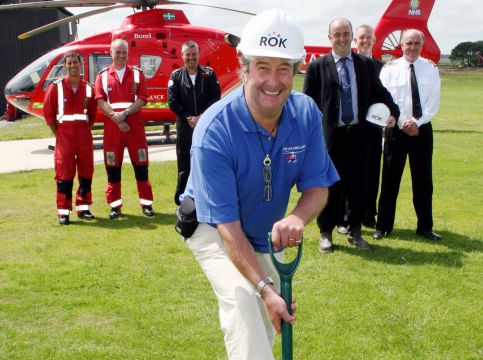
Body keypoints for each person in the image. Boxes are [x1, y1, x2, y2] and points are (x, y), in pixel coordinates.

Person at [181, 9, 339, 359]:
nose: (274, 80)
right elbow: (227, 226)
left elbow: (317, 187)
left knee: (270, 317)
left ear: (296, 70)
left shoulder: (307, 113)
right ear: (244, 68)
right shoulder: (213, 131)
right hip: (214, 228)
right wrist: (265, 288)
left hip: (265, 230)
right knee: (244, 305)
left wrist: (297, 217)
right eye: (263, 67)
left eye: (284, 68)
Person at [303, 18, 400, 253]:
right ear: (329, 38)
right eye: (337, 34)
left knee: (358, 186)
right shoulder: (317, 67)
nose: (342, 39)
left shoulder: (365, 65)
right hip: (330, 137)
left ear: (351, 36)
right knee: (329, 186)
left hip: (360, 136)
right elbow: (308, 103)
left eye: (346, 33)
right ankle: (325, 233)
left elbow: (381, 93)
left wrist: (393, 112)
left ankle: (355, 232)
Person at [373, 29, 442, 241]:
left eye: (416, 43)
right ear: (401, 45)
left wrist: (417, 122)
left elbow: (433, 101)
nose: (412, 47)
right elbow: (384, 98)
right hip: (396, 128)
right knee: (390, 180)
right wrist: (404, 122)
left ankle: (425, 227)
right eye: (408, 43)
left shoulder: (430, 69)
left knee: (423, 180)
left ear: (422, 45)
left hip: (422, 130)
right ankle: (383, 226)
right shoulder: (389, 69)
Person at [94, 38, 154, 219]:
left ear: (128, 54)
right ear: (110, 53)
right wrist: (117, 118)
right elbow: (100, 100)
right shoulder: (102, 76)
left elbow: (142, 99)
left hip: (134, 126)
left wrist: (125, 114)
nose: (121, 55)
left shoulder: (137, 74)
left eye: (124, 52)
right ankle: (115, 206)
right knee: (112, 166)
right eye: (117, 52)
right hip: (113, 128)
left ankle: (146, 204)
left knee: (141, 165)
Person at [43, 52, 97, 225]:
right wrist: (60, 134)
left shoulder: (88, 88)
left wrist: (81, 131)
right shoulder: (55, 87)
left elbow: (92, 116)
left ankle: (83, 208)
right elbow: (49, 115)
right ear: (65, 66)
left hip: (83, 137)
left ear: (81, 64)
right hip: (64, 138)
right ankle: (63, 212)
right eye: (69, 63)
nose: (73, 65)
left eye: (75, 62)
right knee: (64, 175)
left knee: (86, 173)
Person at [168, 41, 221, 206]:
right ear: (182, 56)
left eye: (194, 54)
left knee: (205, 160)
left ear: (198, 55)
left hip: (205, 126)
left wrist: (201, 117)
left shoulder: (209, 74)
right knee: (184, 163)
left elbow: (215, 98)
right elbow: (172, 101)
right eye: (188, 55)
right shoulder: (176, 76)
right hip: (185, 127)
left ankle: (206, 195)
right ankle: (181, 199)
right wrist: (188, 118)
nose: (191, 58)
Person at [354, 24, 384, 228]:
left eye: (369, 38)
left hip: (374, 128)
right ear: (355, 41)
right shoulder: (349, 65)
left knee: (373, 172)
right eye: (361, 38)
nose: (365, 41)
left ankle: (368, 215)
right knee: (351, 172)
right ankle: (347, 215)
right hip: (352, 128)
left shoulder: (383, 67)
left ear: (374, 40)